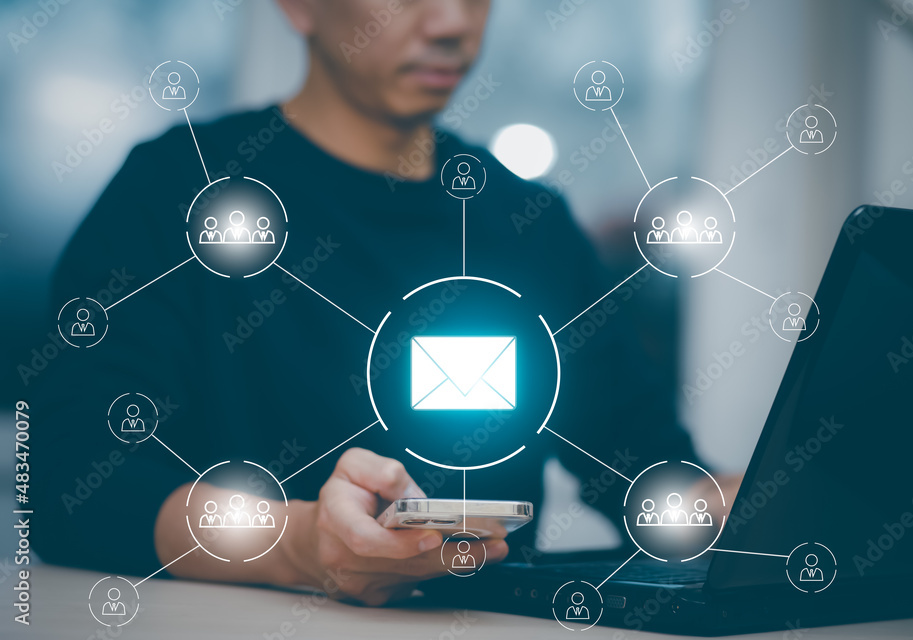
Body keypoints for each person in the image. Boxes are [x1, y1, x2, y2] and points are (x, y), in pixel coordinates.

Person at [35, 0, 733, 607]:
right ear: (299, 4)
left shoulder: (530, 223)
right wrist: (299, 545)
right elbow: (76, 483)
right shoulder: (180, 192)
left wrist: (774, 501)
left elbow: (644, 473)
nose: (454, 24)